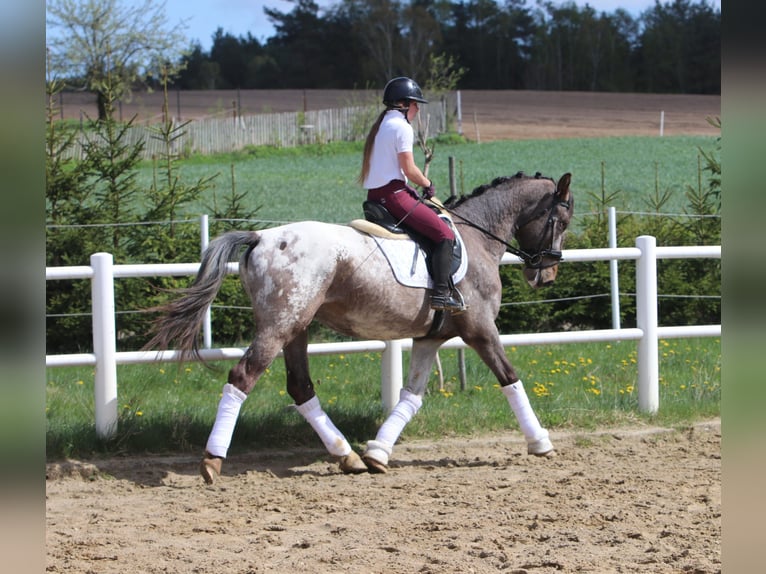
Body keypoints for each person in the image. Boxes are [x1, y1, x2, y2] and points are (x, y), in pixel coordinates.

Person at [359, 76, 463, 312]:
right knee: (445, 234)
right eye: (416, 104)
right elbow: (409, 168)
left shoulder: (382, 124)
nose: (417, 110)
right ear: (404, 104)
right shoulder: (402, 127)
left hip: (375, 195)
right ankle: (441, 294)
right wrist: (427, 184)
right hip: (394, 196)